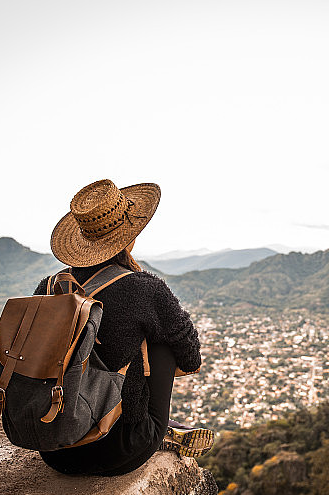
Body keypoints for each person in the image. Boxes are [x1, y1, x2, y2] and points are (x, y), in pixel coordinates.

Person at [36, 179, 213, 476]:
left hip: (52, 446)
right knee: (164, 338)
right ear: (130, 236)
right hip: (118, 450)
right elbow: (190, 358)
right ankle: (152, 426)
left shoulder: (51, 286)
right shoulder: (144, 290)